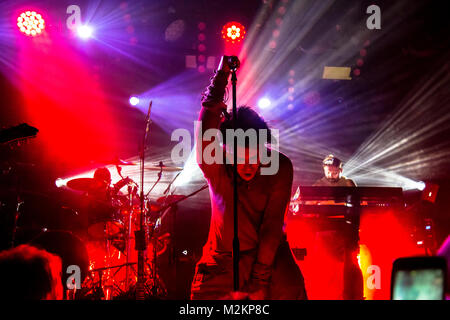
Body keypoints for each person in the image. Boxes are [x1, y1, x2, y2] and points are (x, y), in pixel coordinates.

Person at [190, 56, 307, 300]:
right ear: (226, 151)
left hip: (270, 260)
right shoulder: (216, 164)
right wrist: (221, 75)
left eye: (255, 157)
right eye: (241, 158)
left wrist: (257, 282)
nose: (250, 165)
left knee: (290, 287)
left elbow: (272, 225)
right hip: (222, 262)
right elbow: (205, 132)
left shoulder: (279, 166)